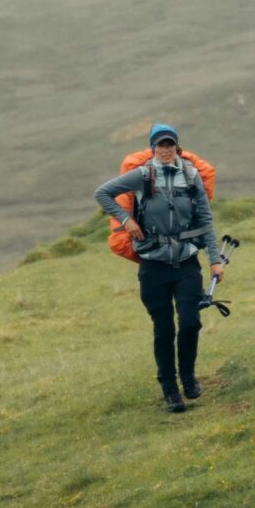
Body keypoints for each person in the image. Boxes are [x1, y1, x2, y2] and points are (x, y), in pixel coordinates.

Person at [95, 124, 227, 413]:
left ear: (177, 147)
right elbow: (102, 193)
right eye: (160, 145)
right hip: (153, 266)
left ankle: (189, 377)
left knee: (190, 321)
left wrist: (215, 259)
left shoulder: (191, 176)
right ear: (153, 148)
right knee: (164, 328)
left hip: (186, 264)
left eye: (170, 145)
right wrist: (125, 220)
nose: (165, 150)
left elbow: (205, 219)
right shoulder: (142, 175)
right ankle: (170, 391)